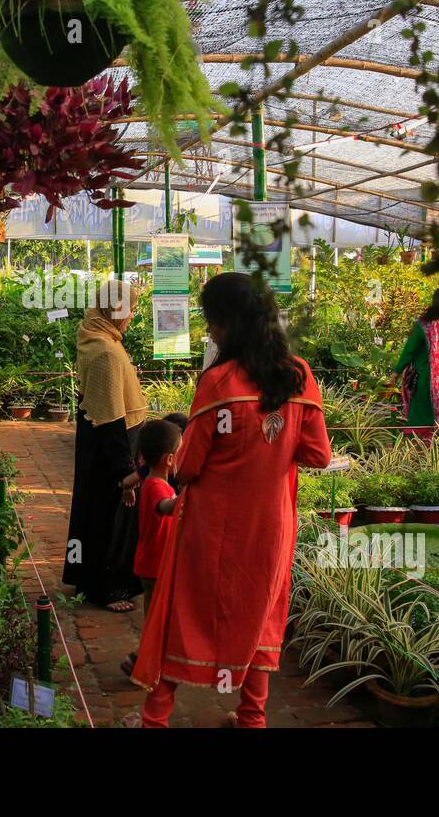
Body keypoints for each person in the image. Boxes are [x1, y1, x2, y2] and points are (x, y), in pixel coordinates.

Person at [132, 272, 332, 727]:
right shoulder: (299, 375)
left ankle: (155, 719)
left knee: (183, 613)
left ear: (227, 324)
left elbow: (189, 468)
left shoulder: (219, 382)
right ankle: (251, 719)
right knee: (259, 614)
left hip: (212, 526)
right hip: (271, 526)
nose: (210, 331)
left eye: (211, 322)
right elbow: (318, 455)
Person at [62, 278, 147, 613]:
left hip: (96, 438)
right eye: (129, 311)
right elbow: (112, 416)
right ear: (114, 310)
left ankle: (85, 576)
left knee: (93, 509)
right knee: (112, 515)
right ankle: (108, 587)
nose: (131, 317)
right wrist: (125, 472)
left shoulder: (93, 334)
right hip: (113, 440)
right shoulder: (107, 352)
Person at [121, 417, 184, 677]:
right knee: (157, 619)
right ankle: (143, 663)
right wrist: (190, 495)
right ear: (169, 459)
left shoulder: (155, 482)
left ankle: (144, 659)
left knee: (157, 618)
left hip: (155, 563)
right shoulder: (157, 486)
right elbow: (166, 508)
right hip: (154, 566)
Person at [393, 287, 439, 436]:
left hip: (426, 378)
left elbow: (409, 350)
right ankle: (438, 442)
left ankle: (421, 449)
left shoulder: (425, 324)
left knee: (421, 414)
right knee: (435, 412)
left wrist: (396, 372)